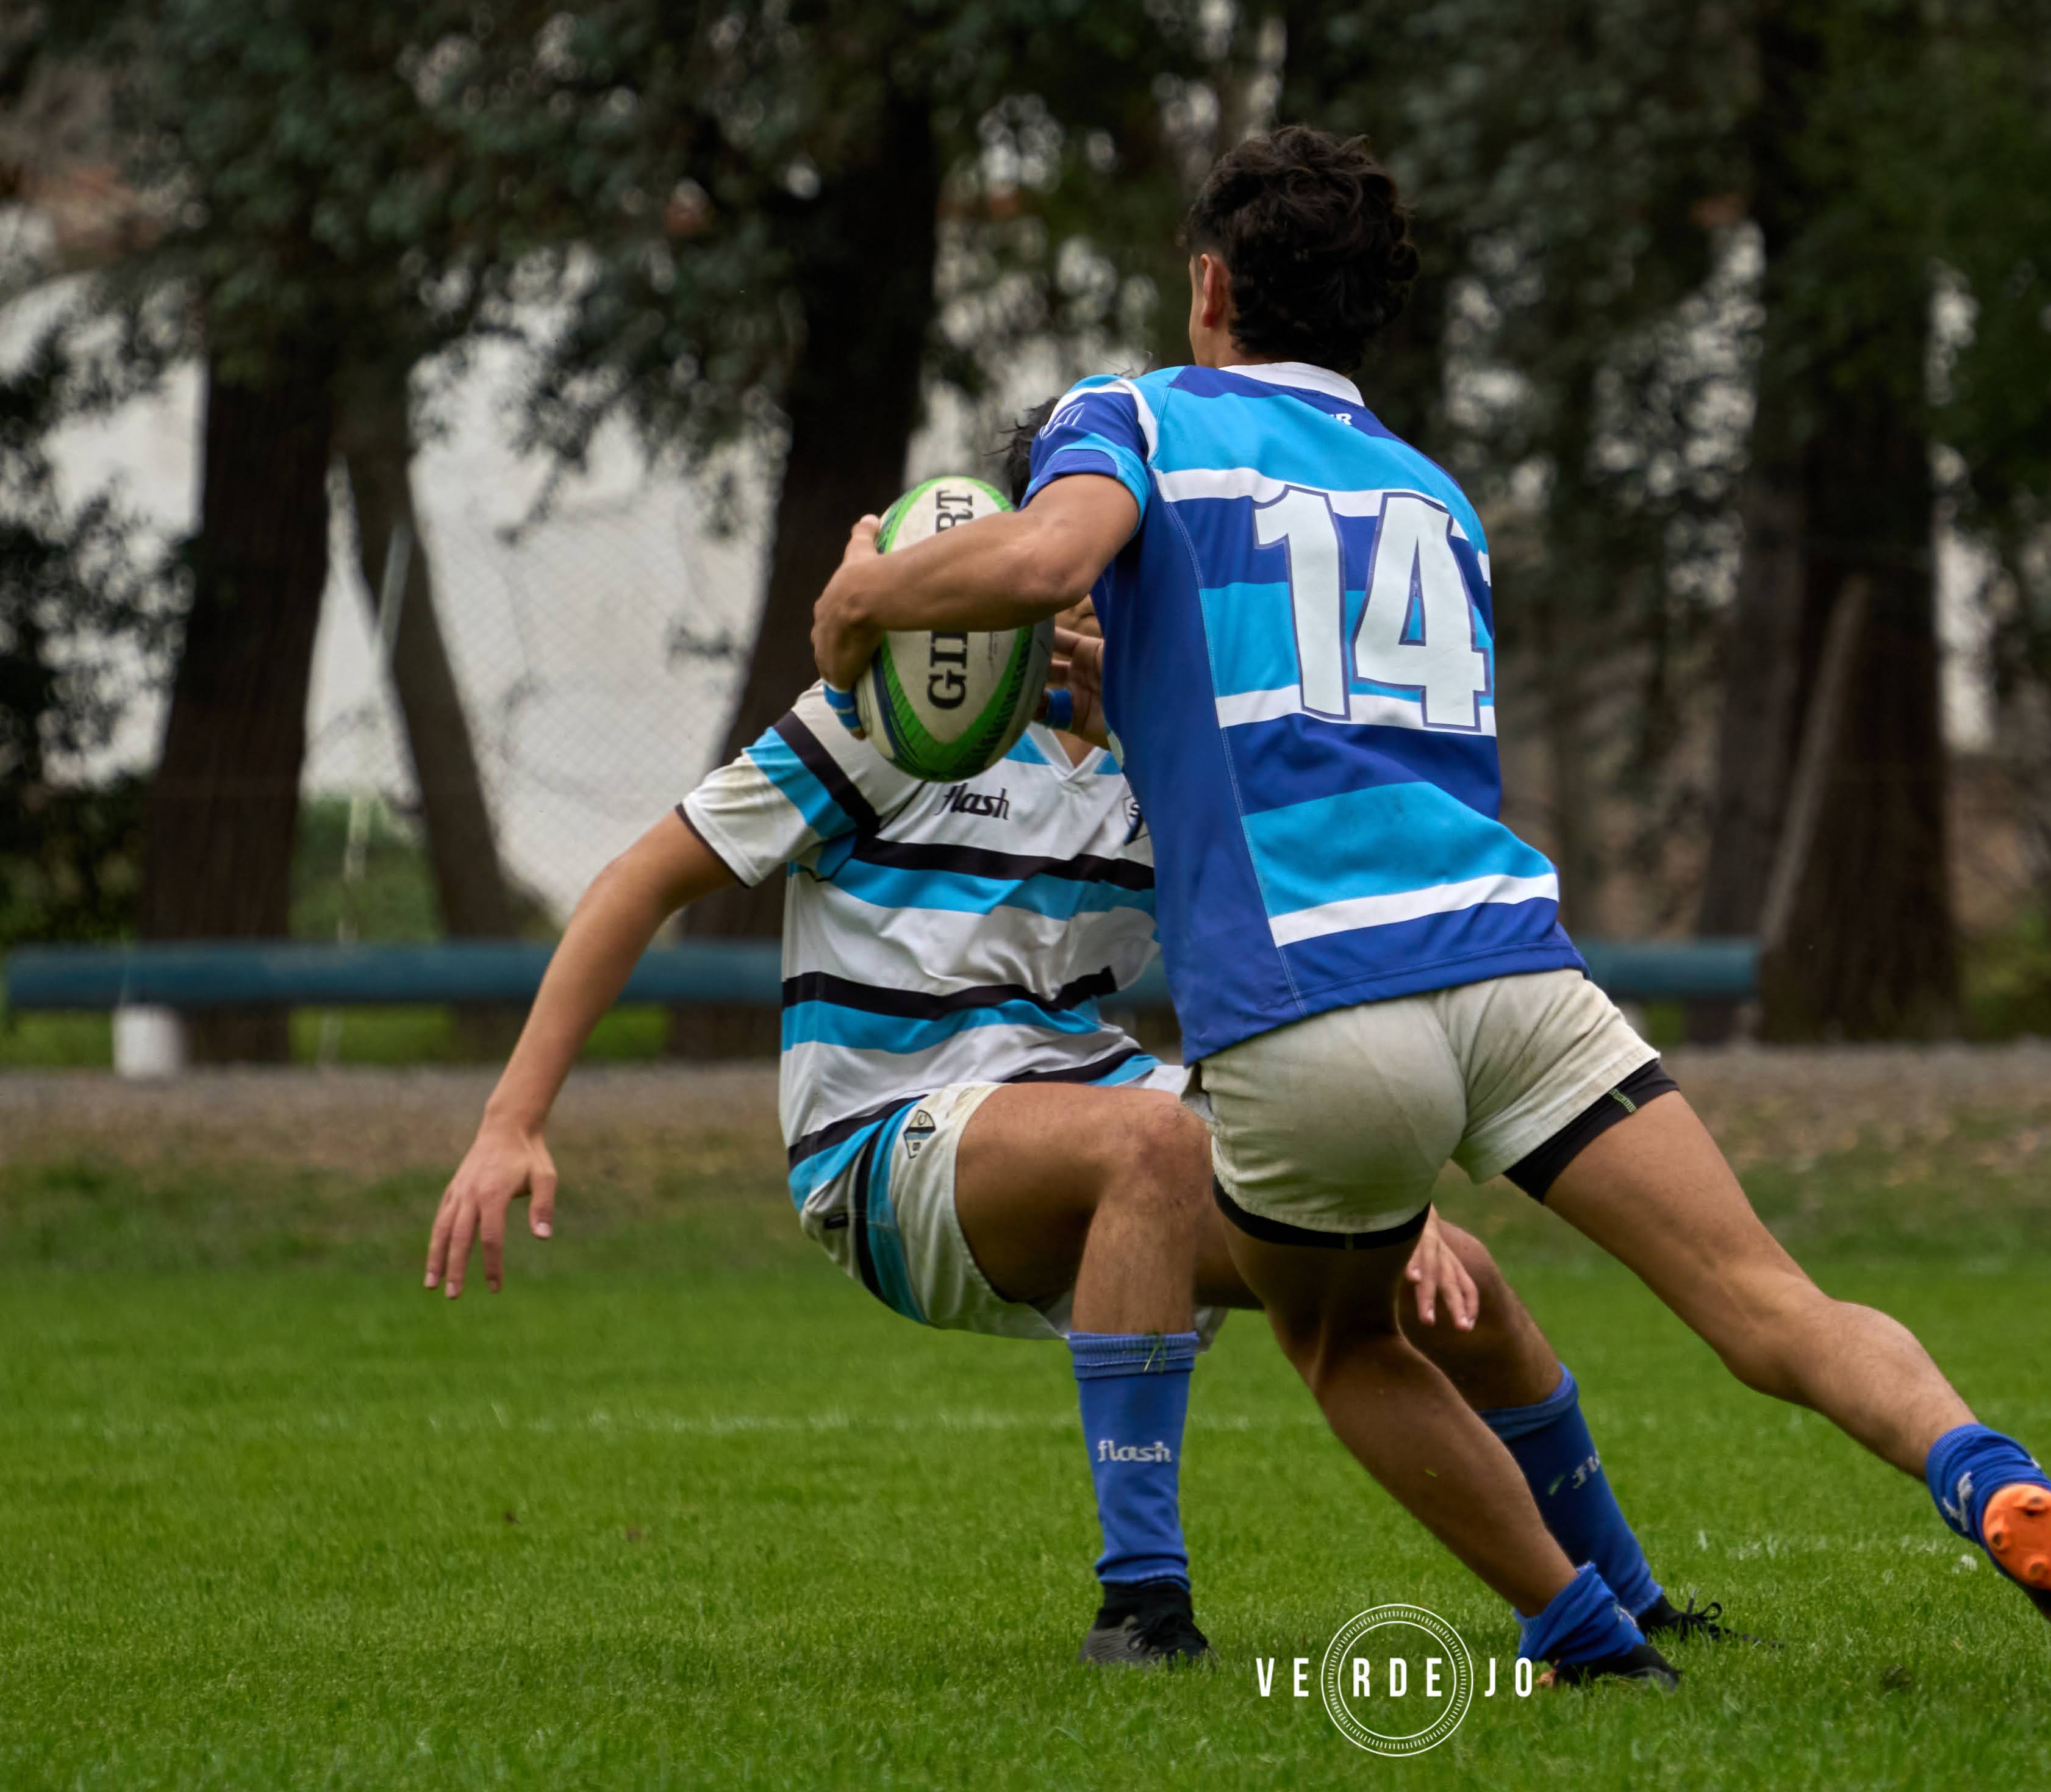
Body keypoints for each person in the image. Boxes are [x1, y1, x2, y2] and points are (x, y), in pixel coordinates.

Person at [809, 124, 2051, 1704]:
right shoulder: (1431, 496)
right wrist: (1124, 690)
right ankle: (1992, 1481)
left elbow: (1049, 555)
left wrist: (866, 599)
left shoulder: (1128, 412)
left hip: (1313, 1002)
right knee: (1772, 1305)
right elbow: (1310, 733)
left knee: (1348, 1344)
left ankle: (1585, 1640)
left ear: (1209, 285)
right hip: (1510, 965)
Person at [421, 619, 1718, 1668]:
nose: (1095, 605)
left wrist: (1387, 1193)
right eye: (1077, 567)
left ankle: (1629, 1603)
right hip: (882, 1145)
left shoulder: (1181, 772)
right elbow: (643, 877)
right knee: (1148, 1148)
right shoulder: (892, 713)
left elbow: (1273, 1009)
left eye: (1128, 574)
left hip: (1095, 1102)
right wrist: (510, 1121)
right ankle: (1142, 1610)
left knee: (1461, 1279)